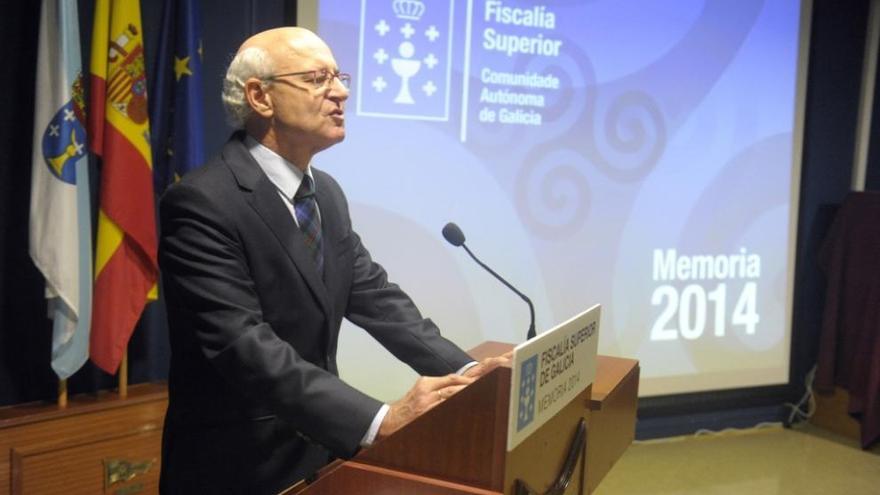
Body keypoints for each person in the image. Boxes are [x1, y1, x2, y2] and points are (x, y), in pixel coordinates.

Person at [158, 27, 508, 494]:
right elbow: (243, 345)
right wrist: (380, 419)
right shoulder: (202, 202)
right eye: (318, 78)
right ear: (260, 96)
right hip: (239, 467)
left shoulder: (326, 193)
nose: (341, 91)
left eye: (338, 77)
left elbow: (376, 299)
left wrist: (467, 374)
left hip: (321, 453)